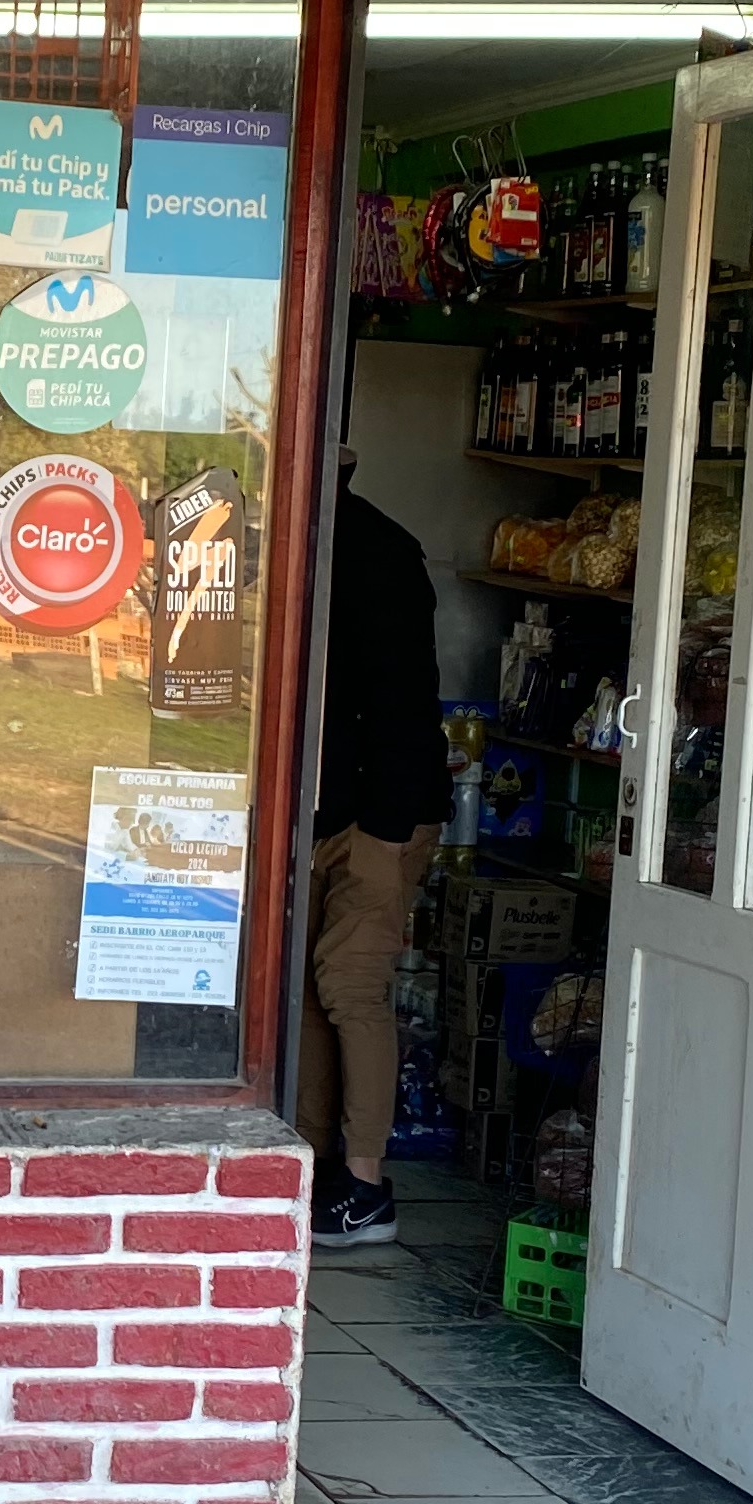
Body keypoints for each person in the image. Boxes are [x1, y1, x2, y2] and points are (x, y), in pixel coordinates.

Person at [298, 455, 448, 1249]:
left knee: (350, 988)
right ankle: (315, 1167)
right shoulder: (320, 542)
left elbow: (399, 702)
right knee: (310, 991)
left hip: (380, 815)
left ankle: (364, 1187)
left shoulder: (375, 551)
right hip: (335, 812)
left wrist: (383, 831)